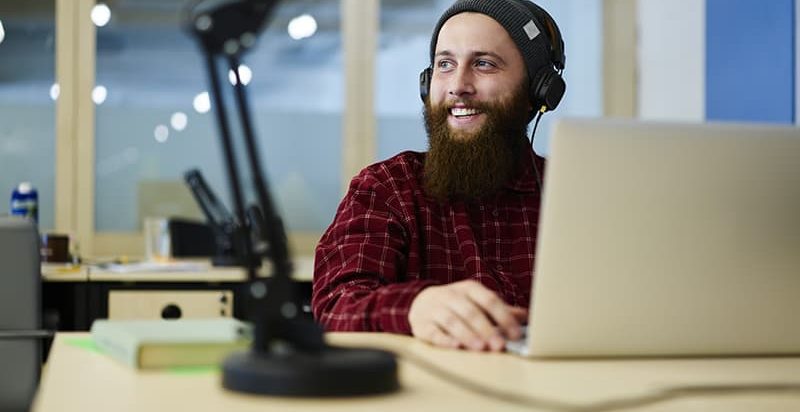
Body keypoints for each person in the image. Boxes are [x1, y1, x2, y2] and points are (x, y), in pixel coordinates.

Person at [312, 0, 566, 352]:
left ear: (537, 92)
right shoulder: (387, 188)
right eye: (445, 64)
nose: (458, 85)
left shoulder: (570, 193)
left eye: (484, 64)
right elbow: (335, 309)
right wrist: (414, 307)